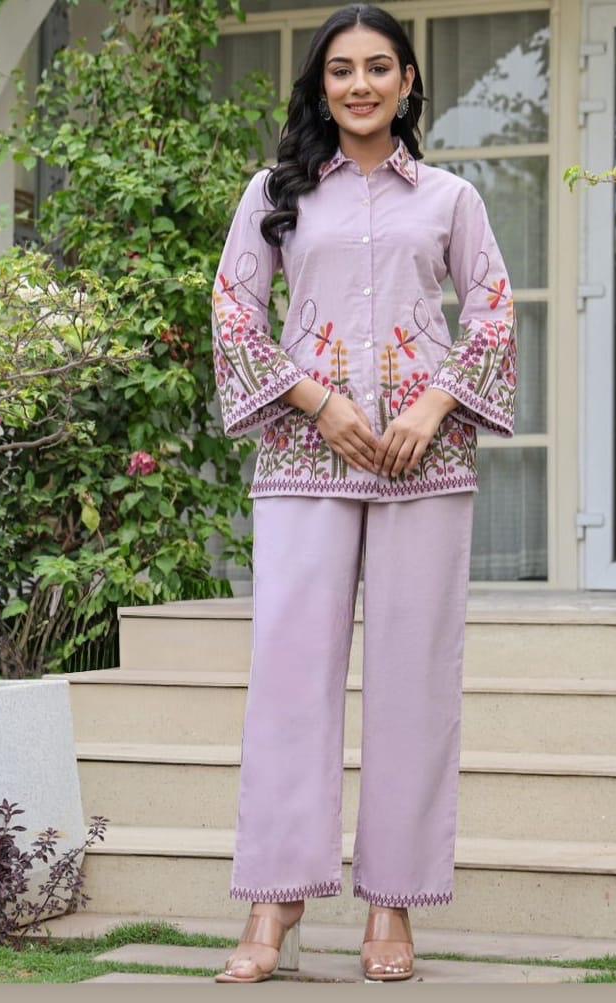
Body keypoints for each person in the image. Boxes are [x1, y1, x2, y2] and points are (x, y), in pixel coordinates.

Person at [210, 2, 517, 984]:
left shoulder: (451, 199)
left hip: (422, 464)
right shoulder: (274, 193)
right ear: (321, 85)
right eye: (340, 70)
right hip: (305, 458)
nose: (360, 85)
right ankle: (274, 901)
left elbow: (493, 313)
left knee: (414, 684)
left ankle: (393, 905)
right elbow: (234, 311)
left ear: (407, 81)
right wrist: (317, 402)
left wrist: (431, 407)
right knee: (289, 681)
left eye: (379, 67)